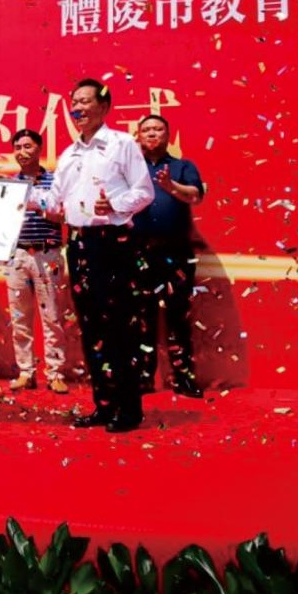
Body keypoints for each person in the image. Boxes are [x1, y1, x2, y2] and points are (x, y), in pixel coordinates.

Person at [46, 79, 154, 433]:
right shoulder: (68, 154)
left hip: (113, 243)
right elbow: (54, 203)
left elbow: (144, 191)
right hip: (79, 245)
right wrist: (14, 196)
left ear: (104, 106)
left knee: (119, 326)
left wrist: (116, 205)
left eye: (85, 101)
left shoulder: (122, 144)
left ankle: (129, 409)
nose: (77, 108)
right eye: (74, 102)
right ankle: (104, 406)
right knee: (92, 328)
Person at [132, 114, 205, 398]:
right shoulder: (131, 169)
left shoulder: (182, 166)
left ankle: (183, 377)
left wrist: (170, 187)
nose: (152, 134)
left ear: (168, 135)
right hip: (138, 251)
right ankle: (142, 377)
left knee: (178, 315)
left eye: (158, 129)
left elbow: (195, 196)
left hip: (176, 251)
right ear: (138, 136)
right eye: (147, 130)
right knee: (141, 315)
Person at [5, 129, 69, 394]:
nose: (22, 152)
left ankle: (55, 373)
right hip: (18, 255)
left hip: (47, 254)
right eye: (17, 147)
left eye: (27, 146)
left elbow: (63, 215)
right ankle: (25, 372)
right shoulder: (10, 185)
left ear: (39, 148)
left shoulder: (54, 181)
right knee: (19, 317)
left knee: (52, 316)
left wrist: (37, 205)